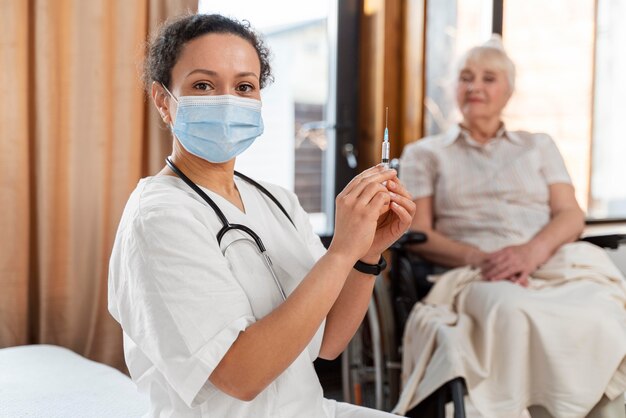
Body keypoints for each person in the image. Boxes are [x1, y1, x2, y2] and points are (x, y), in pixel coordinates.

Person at [107, 13, 416, 418]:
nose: (228, 100)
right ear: (164, 101)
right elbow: (241, 376)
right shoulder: (158, 219)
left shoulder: (277, 202)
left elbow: (328, 341)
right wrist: (340, 252)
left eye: (244, 86)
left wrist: (366, 253)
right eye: (203, 85)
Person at [394, 36, 626, 418]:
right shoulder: (426, 153)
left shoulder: (538, 146)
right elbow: (419, 233)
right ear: (454, 89)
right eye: (466, 78)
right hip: (477, 272)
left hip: (549, 261)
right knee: (510, 310)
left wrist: (529, 254)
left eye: (489, 78)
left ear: (508, 92)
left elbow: (570, 215)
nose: (475, 87)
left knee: (601, 314)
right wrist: (486, 260)